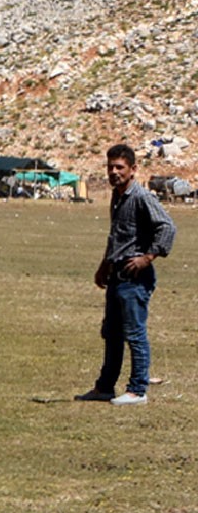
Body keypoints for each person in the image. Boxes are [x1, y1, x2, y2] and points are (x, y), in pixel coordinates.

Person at [78, 144, 176, 404]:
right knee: (111, 333)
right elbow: (117, 236)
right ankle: (105, 387)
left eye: (119, 167)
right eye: (110, 167)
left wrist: (148, 257)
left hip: (136, 278)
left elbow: (167, 227)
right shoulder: (117, 196)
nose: (113, 172)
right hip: (117, 273)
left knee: (134, 333)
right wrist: (104, 264)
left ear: (133, 169)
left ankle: (137, 390)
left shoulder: (142, 197)